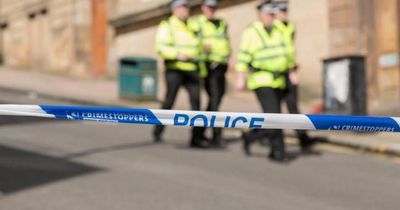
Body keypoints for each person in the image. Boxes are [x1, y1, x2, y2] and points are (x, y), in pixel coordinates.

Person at [235, 1, 288, 162]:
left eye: (273, 14)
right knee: (275, 116)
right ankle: (279, 152)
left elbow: (286, 51)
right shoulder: (251, 31)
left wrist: (291, 70)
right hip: (261, 80)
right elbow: (243, 55)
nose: (271, 17)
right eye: (268, 14)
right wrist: (240, 76)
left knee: (271, 117)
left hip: (278, 80)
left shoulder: (279, 29)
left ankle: (251, 137)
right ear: (260, 14)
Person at [153, 0, 207, 148]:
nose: (185, 10)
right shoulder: (167, 25)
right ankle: (157, 131)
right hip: (175, 69)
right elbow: (160, 47)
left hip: (192, 69)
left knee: (196, 103)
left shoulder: (193, 24)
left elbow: (198, 44)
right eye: (182, 8)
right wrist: (177, 54)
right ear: (174, 10)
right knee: (169, 102)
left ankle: (196, 138)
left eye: (186, 7)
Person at [273, 1, 316, 151]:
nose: (285, 13)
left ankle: (303, 138)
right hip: (276, 74)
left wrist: (293, 68)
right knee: (273, 112)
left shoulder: (290, 26)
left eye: (286, 10)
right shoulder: (272, 28)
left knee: (293, 107)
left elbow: (289, 49)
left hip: (289, 72)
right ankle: (253, 136)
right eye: (281, 11)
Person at [189, 0, 231, 148]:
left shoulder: (221, 23)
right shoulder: (196, 23)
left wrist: (228, 59)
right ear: (202, 7)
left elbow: (225, 42)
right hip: (208, 67)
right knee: (214, 101)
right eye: (209, 7)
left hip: (221, 66)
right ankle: (216, 135)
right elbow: (190, 41)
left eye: (214, 7)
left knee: (216, 101)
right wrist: (201, 46)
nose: (211, 10)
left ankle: (198, 134)